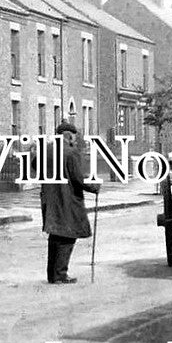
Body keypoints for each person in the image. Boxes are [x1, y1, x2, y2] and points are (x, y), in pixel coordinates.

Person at [41, 122, 101, 284]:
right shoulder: (71, 152)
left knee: (55, 235)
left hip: (50, 199)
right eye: (73, 136)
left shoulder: (45, 150)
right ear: (68, 136)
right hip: (66, 199)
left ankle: (52, 275)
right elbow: (77, 179)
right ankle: (60, 274)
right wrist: (94, 187)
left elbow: (34, 165)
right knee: (67, 236)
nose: (75, 140)